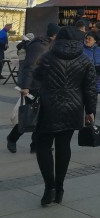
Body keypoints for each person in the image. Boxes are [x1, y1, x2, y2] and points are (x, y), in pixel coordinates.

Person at [32, 26, 97, 206]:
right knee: (63, 146)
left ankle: (49, 188)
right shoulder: (84, 60)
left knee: (43, 146)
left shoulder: (46, 57)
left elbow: (35, 79)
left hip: (48, 107)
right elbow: (90, 88)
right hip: (73, 108)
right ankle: (59, 189)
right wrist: (90, 111)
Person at [7, 23, 59, 154]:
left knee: (42, 116)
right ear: (54, 35)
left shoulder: (51, 45)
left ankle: (36, 144)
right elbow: (30, 67)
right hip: (34, 85)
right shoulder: (39, 46)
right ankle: (12, 138)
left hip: (45, 85)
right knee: (29, 115)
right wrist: (26, 87)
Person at [82, 31, 100, 99]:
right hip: (84, 79)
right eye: (86, 38)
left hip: (96, 79)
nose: (87, 40)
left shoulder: (98, 50)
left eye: (89, 39)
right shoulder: (81, 49)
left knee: (93, 102)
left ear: (95, 41)